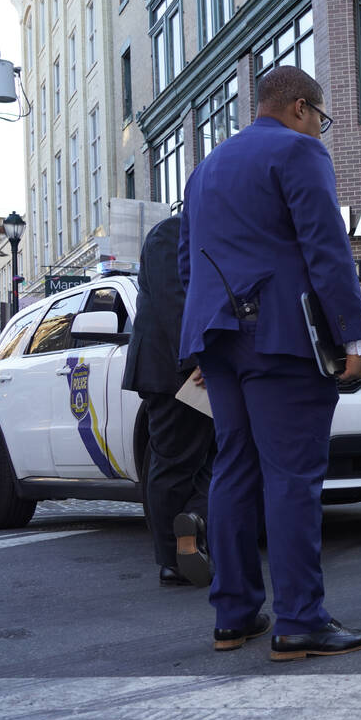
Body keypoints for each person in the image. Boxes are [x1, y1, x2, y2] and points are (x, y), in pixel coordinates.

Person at [179, 65, 361, 661]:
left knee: (234, 468)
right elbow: (326, 248)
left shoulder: (204, 169)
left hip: (218, 337)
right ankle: (300, 620)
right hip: (279, 335)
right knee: (292, 476)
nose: (321, 130)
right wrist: (355, 336)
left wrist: (198, 346)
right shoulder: (300, 152)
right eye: (321, 118)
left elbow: (188, 267)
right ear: (301, 107)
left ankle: (233, 615)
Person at [121, 213, 215, 589]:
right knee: (175, 462)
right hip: (178, 368)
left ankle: (192, 531)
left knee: (214, 458)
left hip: (197, 365)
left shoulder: (205, 230)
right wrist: (198, 354)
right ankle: (172, 560)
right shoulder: (169, 232)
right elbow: (173, 298)